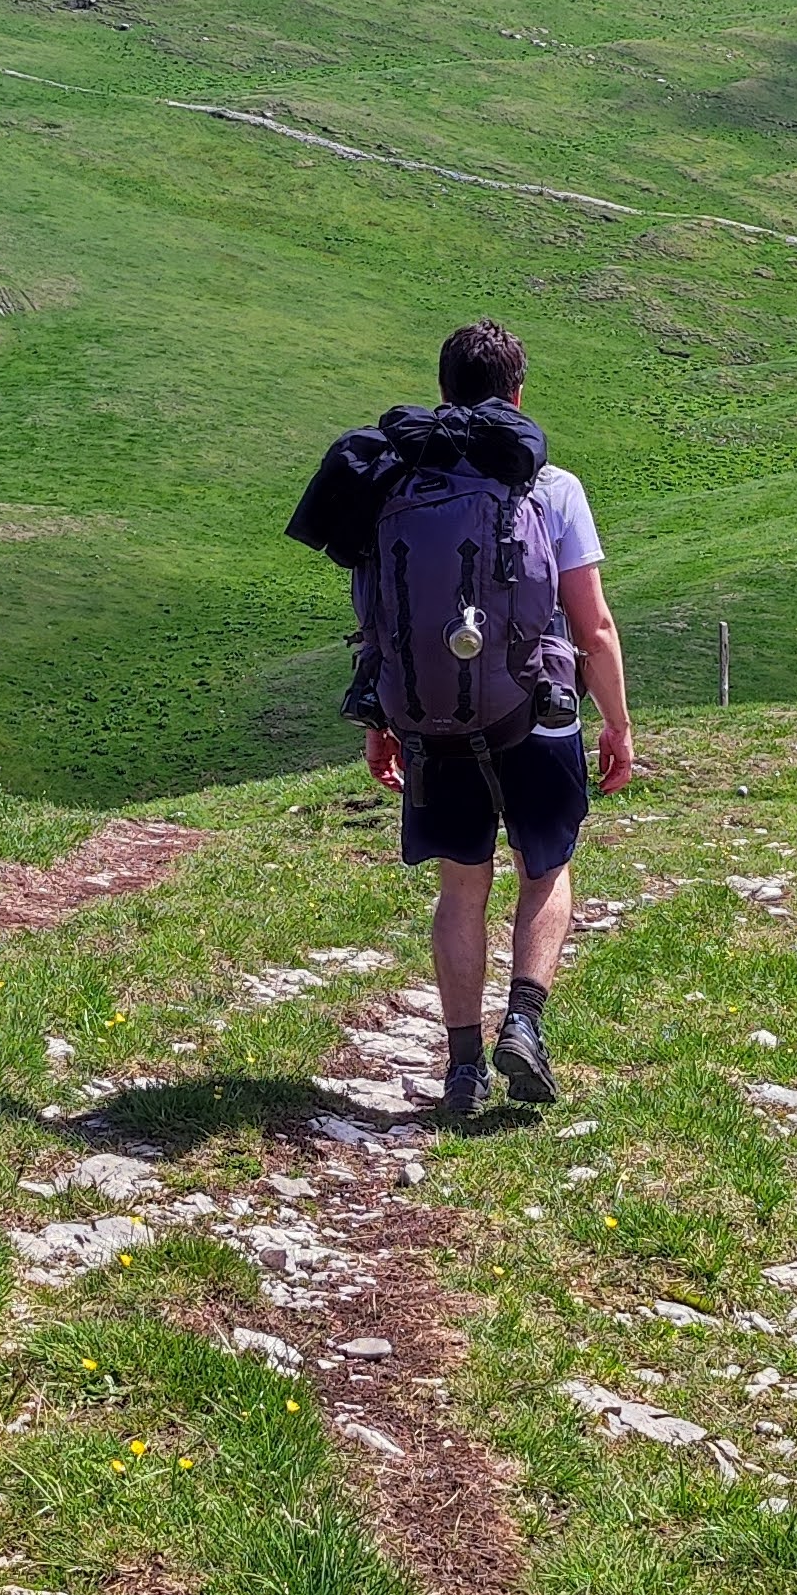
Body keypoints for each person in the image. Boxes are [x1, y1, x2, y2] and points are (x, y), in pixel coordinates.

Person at [282, 319, 639, 1117]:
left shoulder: (397, 482)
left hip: (428, 717)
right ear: (518, 395)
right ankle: (525, 1021)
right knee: (544, 870)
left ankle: (462, 1066)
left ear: (442, 392)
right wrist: (617, 724)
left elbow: (380, 615)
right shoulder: (551, 486)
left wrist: (380, 715)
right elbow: (594, 625)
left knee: (460, 887)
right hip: (537, 711)